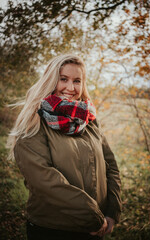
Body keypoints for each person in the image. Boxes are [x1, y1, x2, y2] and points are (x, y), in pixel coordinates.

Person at [7, 54, 122, 240]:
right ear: (52, 80)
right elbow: (45, 181)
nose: (71, 88)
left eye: (77, 81)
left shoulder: (88, 120)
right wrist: (93, 216)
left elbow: (111, 166)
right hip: (52, 229)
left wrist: (112, 211)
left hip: (95, 228)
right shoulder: (33, 123)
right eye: (63, 79)